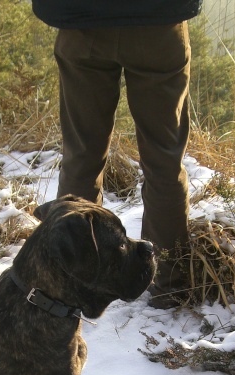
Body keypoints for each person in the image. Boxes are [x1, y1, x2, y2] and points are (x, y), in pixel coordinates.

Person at [31, 0, 203, 308]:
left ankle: (68, 282)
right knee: (164, 162)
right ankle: (168, 285)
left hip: (82, 22)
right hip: (159, 22)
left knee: (82, 156)